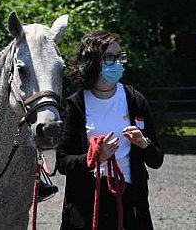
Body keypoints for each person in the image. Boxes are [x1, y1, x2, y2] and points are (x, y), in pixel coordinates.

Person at [57, 30, 164, 229]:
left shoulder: (135, 100)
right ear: (92, 62)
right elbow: (62, 162)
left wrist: (143, 144)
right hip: (87, 206)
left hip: (131, 202)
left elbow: (157, 159)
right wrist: (93, 158)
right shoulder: (75, 105)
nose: (117, 63)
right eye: (109, 58)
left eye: (120, 57)